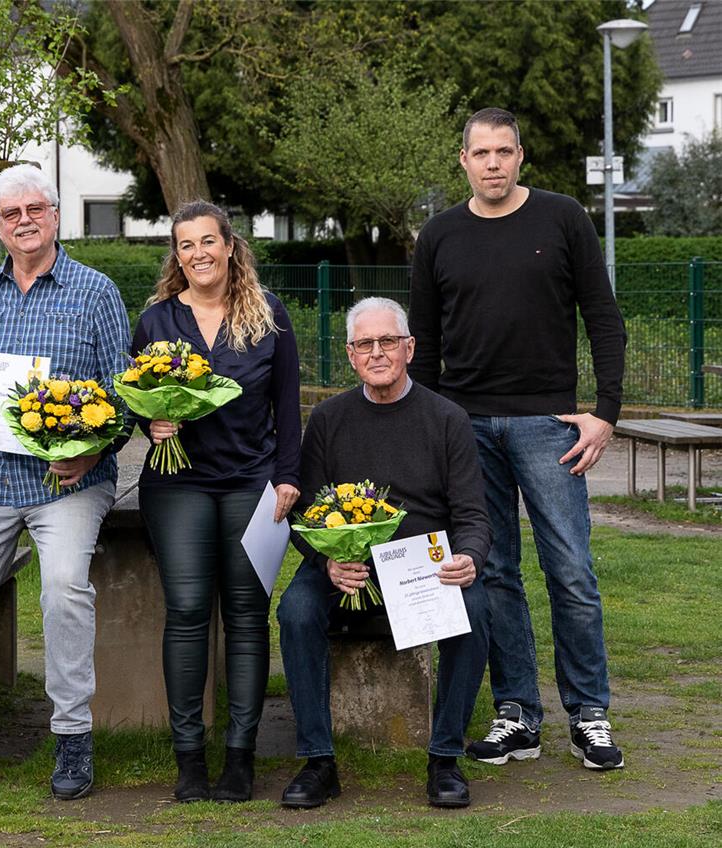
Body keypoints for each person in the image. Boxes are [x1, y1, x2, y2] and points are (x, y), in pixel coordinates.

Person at [409, 107, 628, 771]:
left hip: (549, 425)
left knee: (571, 570)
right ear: (464, 160)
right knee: (495, 571)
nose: (494, 163)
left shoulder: (563, 219)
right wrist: (428, 432)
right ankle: (517, 715)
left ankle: (588, 713)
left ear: (521, 157)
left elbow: (605, 321)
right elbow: (425, 347)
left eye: (505, 151)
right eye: (483, 153)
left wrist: (605, 413)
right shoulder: (439, 235)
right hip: (465, 427)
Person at [0, 164, 131, 801]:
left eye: (35, 209)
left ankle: (72, 736)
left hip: (69, 482)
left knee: (64, 588)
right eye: (11, 215)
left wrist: (92, 457)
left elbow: (125, 393)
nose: (24, 221)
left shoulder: (94, 291)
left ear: (56, 216)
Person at [277, 297, 491, 809]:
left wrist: (470, 559)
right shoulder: (328, 419)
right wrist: (326, 559)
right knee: (296, 610)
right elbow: (303, 513)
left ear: (409, 349)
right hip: (346, 569)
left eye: (388, 342)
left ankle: (444, 758)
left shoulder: (447, 419)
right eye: (365, 344)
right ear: (350, 355)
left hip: (422, 567)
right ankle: (318, 760)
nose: (377, 353)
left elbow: (473, 513)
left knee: (479, 608)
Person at [134, 200, 301, 803]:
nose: (199, 254)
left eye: (209, 241)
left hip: (251, 482)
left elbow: (288, 405)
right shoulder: (156, 321)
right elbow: (135, 399)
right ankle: (189, 759)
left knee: (246, 614)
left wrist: (287, 477)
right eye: (186, 246)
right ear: (176, 256)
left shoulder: (268, 316)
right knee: (185, 610)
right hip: (177, 483)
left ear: (231, 246)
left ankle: (240, 756)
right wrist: (150, 421)